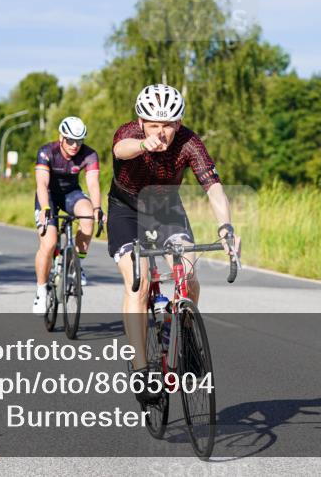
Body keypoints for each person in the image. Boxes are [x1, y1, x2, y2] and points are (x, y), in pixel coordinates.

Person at [107, 84, 241, 404]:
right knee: (137, 285)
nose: (161, 131)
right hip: (126, 210)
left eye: (168, 124)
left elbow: (213, 188)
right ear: (141, 121)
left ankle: (184, 332)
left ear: (178, 124)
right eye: (154, 123)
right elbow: (120, 150)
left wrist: (226, 227)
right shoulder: (130, 133)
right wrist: (143, 143)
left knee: (188, 275)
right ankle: (141, 370)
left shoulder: (189, 142)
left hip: (165, 208)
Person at [31, 116, 103, 313]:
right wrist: (45, 208)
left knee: (88, 217)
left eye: (79, 141)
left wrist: (97, 208)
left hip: (72, 194)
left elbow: (93, 184)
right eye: (70, 140)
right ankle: (41, 290)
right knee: (49, 243)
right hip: (48, 197)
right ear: (61, 137)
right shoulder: (47, 152)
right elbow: (42, 184)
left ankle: (75, 265)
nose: (74, 145)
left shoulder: (89, 155)